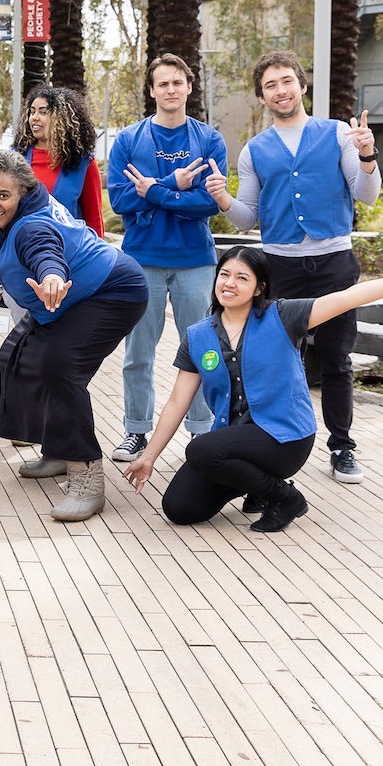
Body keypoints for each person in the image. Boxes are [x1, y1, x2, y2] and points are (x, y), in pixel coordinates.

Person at [123, 247, 383, 531]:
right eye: (224, 275)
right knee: (180, 508)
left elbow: (348, 297)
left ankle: (285, 498)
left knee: (200, 449)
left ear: (259, 288)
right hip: (231, 442)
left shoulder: (284, 316)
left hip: (284, 438)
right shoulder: (198, 335)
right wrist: (148, 457)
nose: (230, 283)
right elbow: (177, 402)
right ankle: (255, 487)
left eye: (242, 278)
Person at [207, 50, 382, 484]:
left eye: (286, 81)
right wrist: (223, 198)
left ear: (302, 86)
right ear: (261, 97)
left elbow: (367, 194)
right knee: (279, 359)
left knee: (336, 357)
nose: (280, 90)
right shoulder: (255, 150)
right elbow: (248, 218)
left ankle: (342, 447)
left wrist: (367, 154)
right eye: (270, 85)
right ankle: (274, 446)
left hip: (334, 261)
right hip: (280, 266)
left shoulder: (337, 133)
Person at [0, 149, 149, 522]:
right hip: (83, 293)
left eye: (3, 195)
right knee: (21, 353)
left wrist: (52, 277)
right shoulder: (29, 198)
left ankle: (86, 474)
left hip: (115, 292)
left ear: (23, 192)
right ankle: (57, 449)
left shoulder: (31, 228)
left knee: (59, 365)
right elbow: (0, 197)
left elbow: (45, 253)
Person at [106, 53, 229, 462]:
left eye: (177, 82)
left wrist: (154, 192)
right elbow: (121, 200)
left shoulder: (209, 140)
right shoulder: (129, 140)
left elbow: (209, 204)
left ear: (189, 87)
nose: (171, 89)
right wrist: (173, 184)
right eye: (163, 83)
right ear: (152, 90)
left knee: (204, 350)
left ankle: (201, 431)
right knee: (138, 352)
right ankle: (136, 430)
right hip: (142, 260)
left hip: (196, 261)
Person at [15, 84, 103, 235]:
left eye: (43, 112)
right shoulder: (16, 158)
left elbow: (94, 220)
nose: (34, 117)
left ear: (61, 119)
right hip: (22, 246)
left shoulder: (83, 163)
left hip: (68, 248)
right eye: (32, 112)